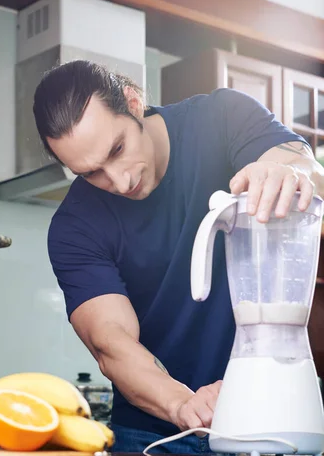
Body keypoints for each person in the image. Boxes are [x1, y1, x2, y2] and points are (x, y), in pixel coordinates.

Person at [33, 59, 324, 454]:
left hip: (269, 410)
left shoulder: (221, 117)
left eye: (117, 150)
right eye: (91, 173)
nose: (119, 181)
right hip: (154, 434)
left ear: (133, 103)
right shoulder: (74, 227)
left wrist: (279, 172)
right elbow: (111, 343)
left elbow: (299, 161)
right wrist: (183, 403)